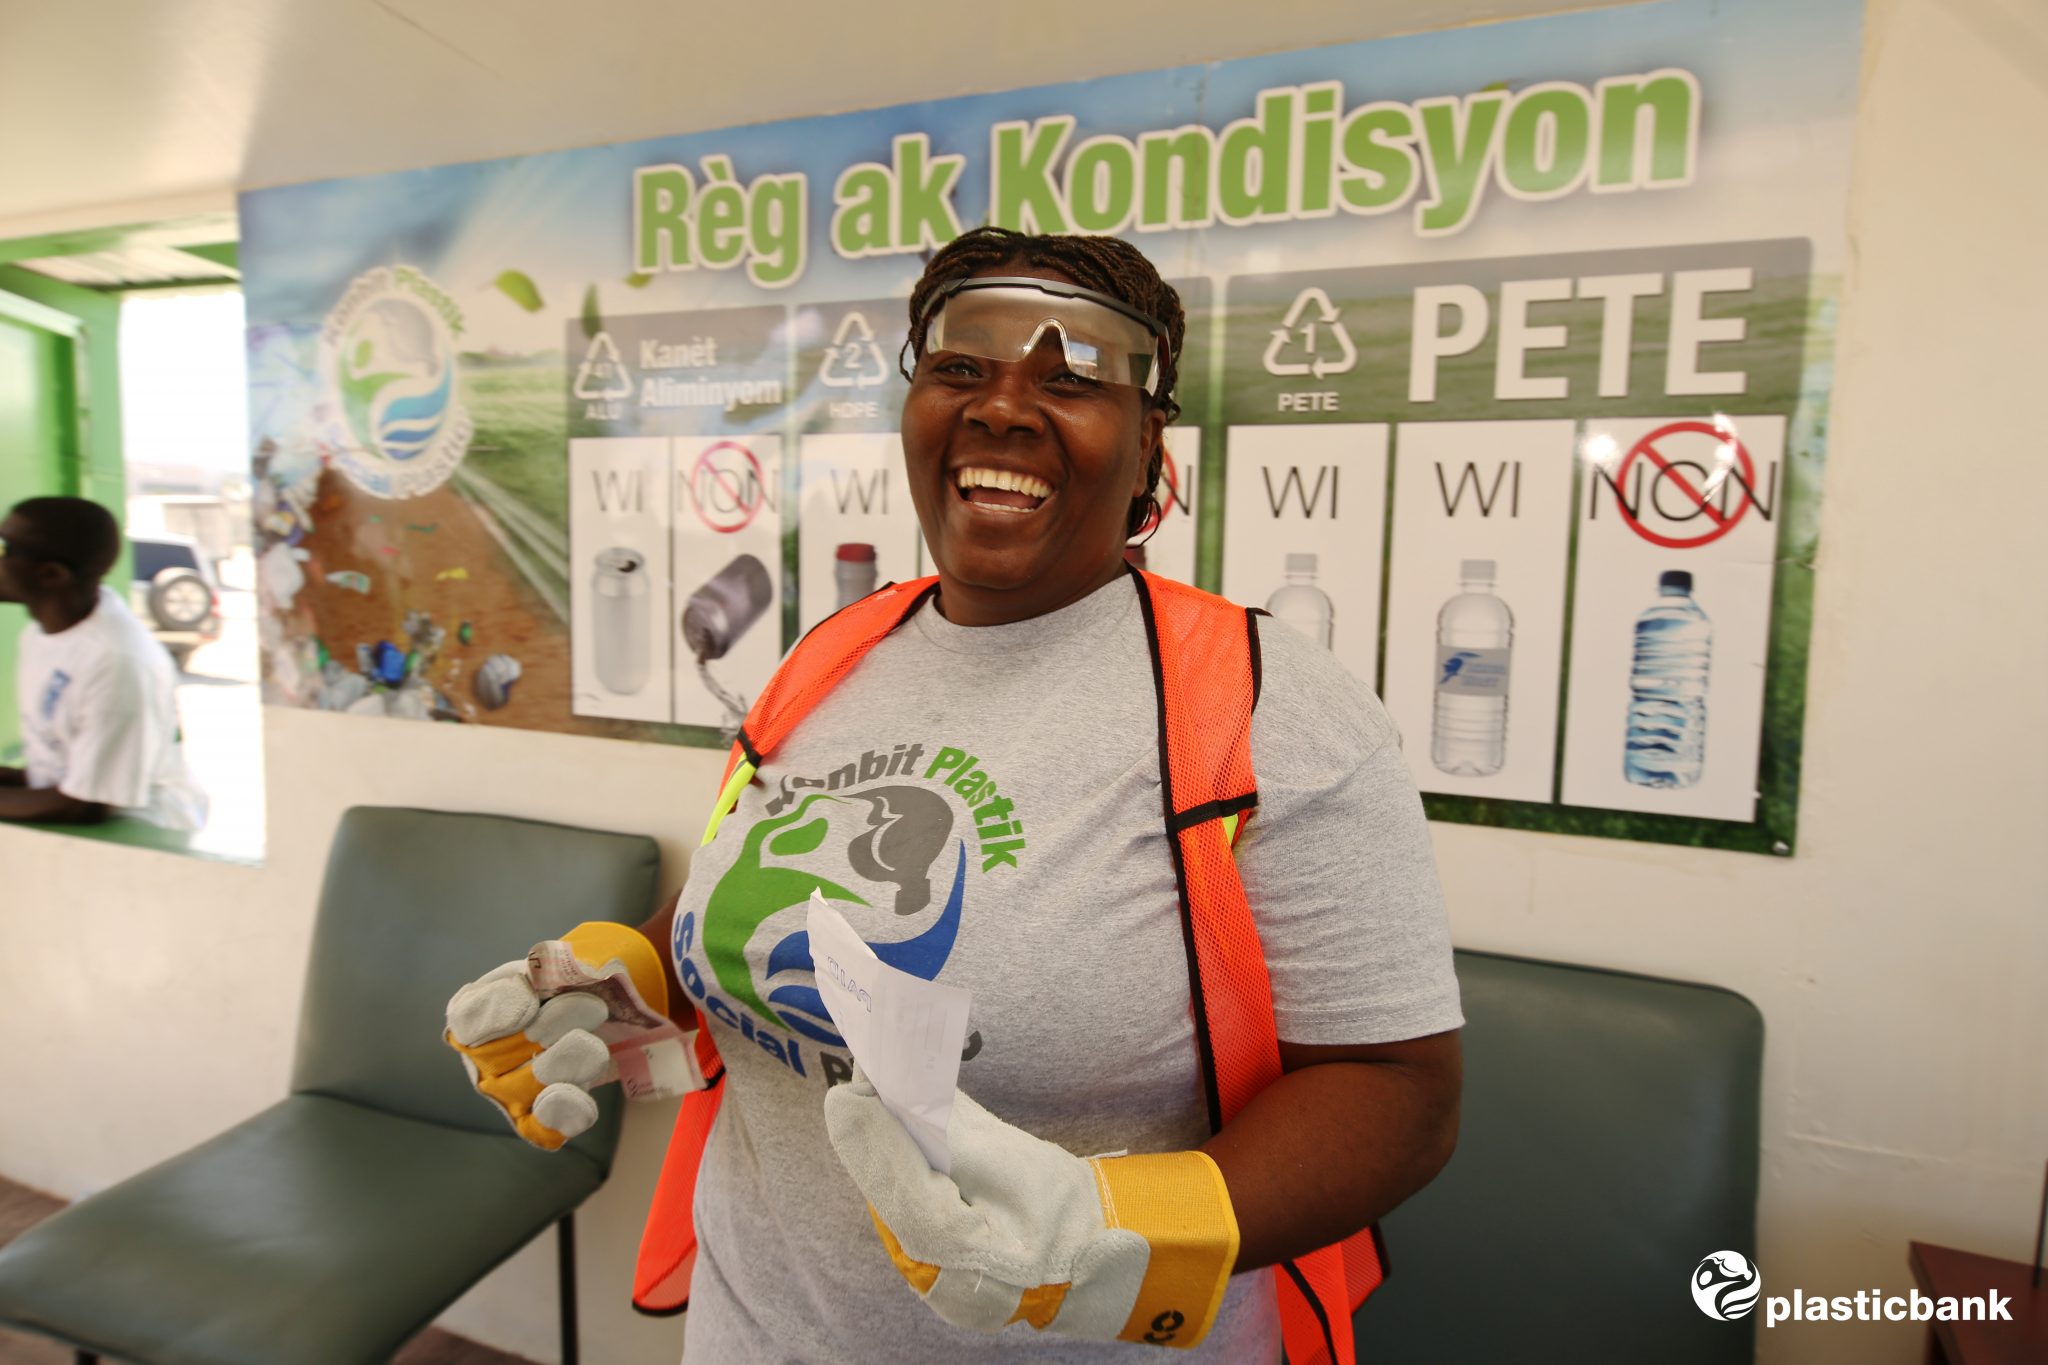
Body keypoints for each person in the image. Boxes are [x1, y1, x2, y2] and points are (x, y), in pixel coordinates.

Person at [447, 229, 1463, 1363]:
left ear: (1146, 452)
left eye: (1074, 379)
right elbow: (797, 905)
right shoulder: (832, 653)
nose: (1003, 409)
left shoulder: (1268, 705)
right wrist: (641, 974)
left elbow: (1395, 1088)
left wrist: (1130, 1227)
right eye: (959, 368)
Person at [0, 496, 207, 829]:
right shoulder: (41, 633)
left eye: (3, 548)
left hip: (138, 837)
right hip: (78, 814)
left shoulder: (116, 662)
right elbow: (57, 767)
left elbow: (85, 805)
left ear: (51, 574)